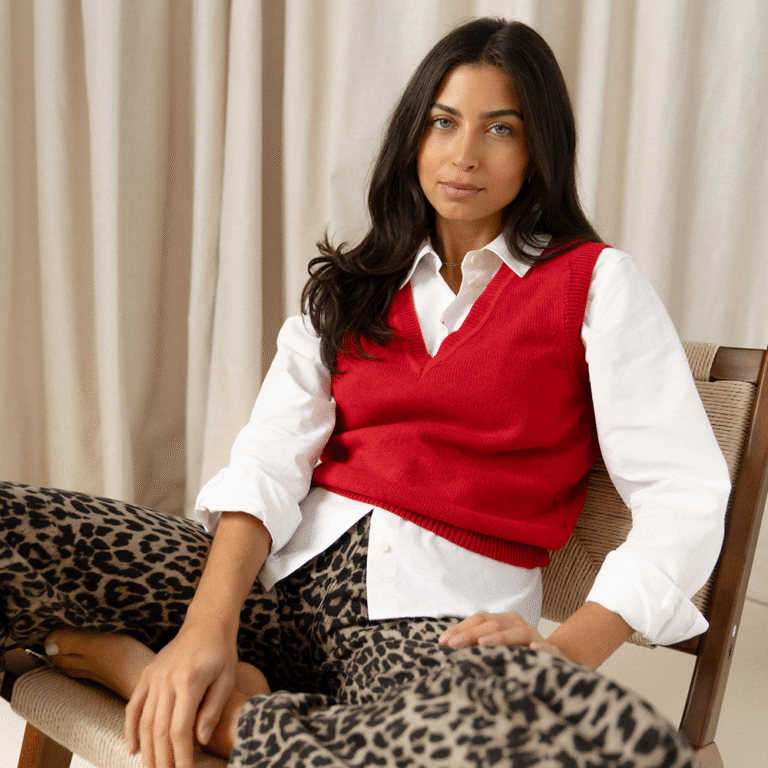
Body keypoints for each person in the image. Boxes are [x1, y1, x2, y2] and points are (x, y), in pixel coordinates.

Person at [0, 17, 729, 768]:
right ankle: (226, 691)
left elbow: (684, 493)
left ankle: (179, 693)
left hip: (438, 622)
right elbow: (269, 462)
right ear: (414, 134)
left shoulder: (594, 284)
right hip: (274, 588)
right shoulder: (353, 286)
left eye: (500, 128)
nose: (464, 154)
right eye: (443, 122)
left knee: (540, 749)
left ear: (540, 148)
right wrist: (204, 632)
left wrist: (564, 658)